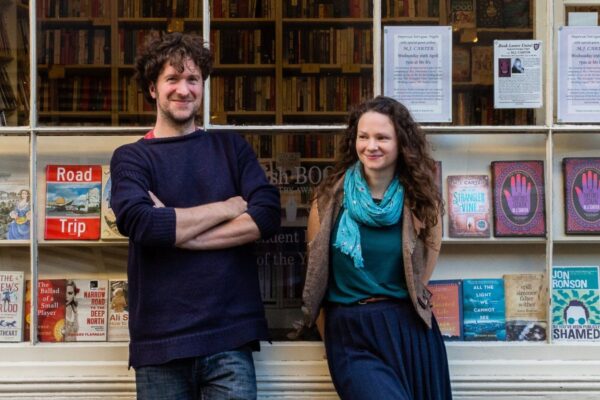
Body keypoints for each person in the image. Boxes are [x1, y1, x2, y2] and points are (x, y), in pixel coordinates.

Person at [110, 32, 281, 399]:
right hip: (160, 343)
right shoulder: (132, 158)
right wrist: (228, 207)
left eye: (192, 80)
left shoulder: (230, 147)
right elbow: (141, 223)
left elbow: (267, 214)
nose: (183, 90)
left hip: (230, 336)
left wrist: (178, 230)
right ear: (153, 89)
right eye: (172, 79)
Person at [301, 96, 451, 399]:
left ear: (401, 143)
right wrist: (327, 332)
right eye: (363, 137)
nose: (371, 146)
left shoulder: (422, 200)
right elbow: (317, 272)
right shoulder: (329, 199)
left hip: (409, 330)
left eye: (382, 137)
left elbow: (423, 272)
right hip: (351, 332)